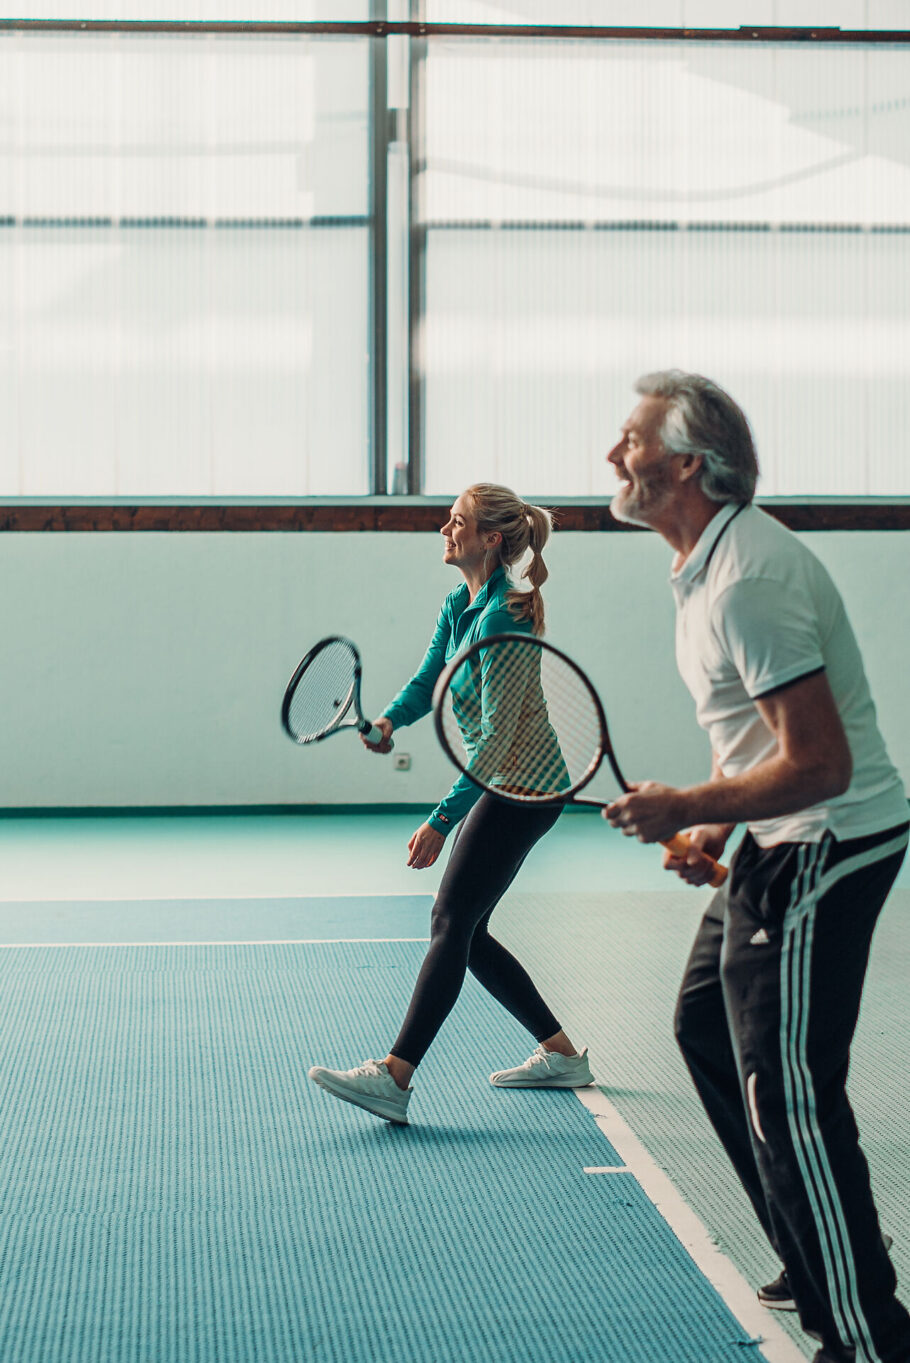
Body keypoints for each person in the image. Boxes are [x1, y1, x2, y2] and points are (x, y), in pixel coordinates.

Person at [603, 370, 910, 1363]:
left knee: (789, 1093)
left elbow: (822, 762)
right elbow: (753, 739)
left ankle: (864, 1333)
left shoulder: (749, 579)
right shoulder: (703, 566)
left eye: (633, 439)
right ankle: (808, 1239)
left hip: (827, 844)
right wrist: (714, 834)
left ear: (686, 465)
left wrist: (687, 807)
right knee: (703, 1024)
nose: (615, 455)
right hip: (779, 840)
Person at [308, 483, 593, 1125]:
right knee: (466, 927)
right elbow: (427, 680)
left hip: (524, 788)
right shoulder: (460, 606)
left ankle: (395, 1076)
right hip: (503, 783)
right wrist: (387, 721)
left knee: (449, 920)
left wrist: (441, 819)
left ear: (490, 538)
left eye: (457, 521)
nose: (445, 528)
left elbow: (495, 741)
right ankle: (562, 1055)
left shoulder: (505, 617)